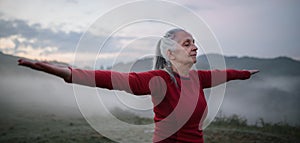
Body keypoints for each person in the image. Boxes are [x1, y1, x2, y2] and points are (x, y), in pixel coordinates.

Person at [18, 28, 259, 143]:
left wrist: (245, 73)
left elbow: (222, 74)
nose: (195, 47)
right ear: (170, 53)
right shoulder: (160, 80)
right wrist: (66, 73)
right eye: (187, 44)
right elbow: (111, 79)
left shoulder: (197, 79)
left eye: (194, 42)